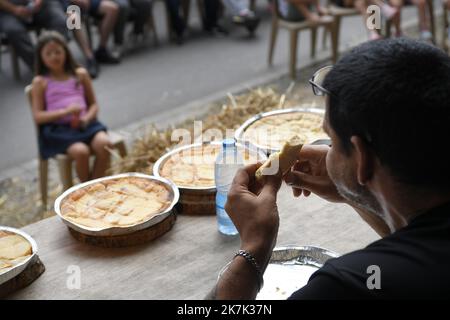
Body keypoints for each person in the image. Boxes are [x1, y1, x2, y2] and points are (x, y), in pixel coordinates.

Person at [207, 38, 450, 299]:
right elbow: (417, 241)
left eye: (332, 142)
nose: (328, 152)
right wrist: (353, 188)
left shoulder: (348, 284)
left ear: (363, 158)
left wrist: (254, 247)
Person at [31, 31, 111, 182]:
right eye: (48, 53)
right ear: (41, 58)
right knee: (81, 152)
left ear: (66, 52)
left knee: (105, 144)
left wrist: (86, 118)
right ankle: (86, 189)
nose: (54, 56)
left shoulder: (80, 74)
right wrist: (65, 112)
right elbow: (38, 117)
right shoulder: (40, 82)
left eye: (58, 52)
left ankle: (95, 185)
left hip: (86, 125)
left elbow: (93, 105)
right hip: (60, 131)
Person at [0, 0, 69, 72]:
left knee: (60, 21)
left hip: (37, 5)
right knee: (13, 30)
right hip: (7, 10)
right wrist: (14, 9)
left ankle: (58, 59)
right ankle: (40, 68)